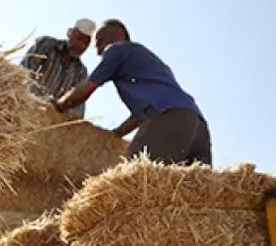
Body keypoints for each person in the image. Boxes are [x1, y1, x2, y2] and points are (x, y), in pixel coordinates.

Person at [53, 19, 211, 166]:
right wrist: (115, 134)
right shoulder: (148, 62)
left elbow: (87, 88)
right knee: (192, 189)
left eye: (100, 40)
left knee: (133, 181)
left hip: (168, 117)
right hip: (197, 124)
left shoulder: (117, 49)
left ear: (120, 35)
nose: (98, 50)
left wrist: (58, 106)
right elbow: (139, 116)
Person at [20, 18, 96, 117]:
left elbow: (77, 106)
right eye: (79, 38)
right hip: (25, 107)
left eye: (86, 43)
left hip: (48, 122)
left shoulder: (80, 72)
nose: (81, 45)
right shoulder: (47, 45)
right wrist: (43, 102)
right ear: (70, 33)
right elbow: (23, 73)